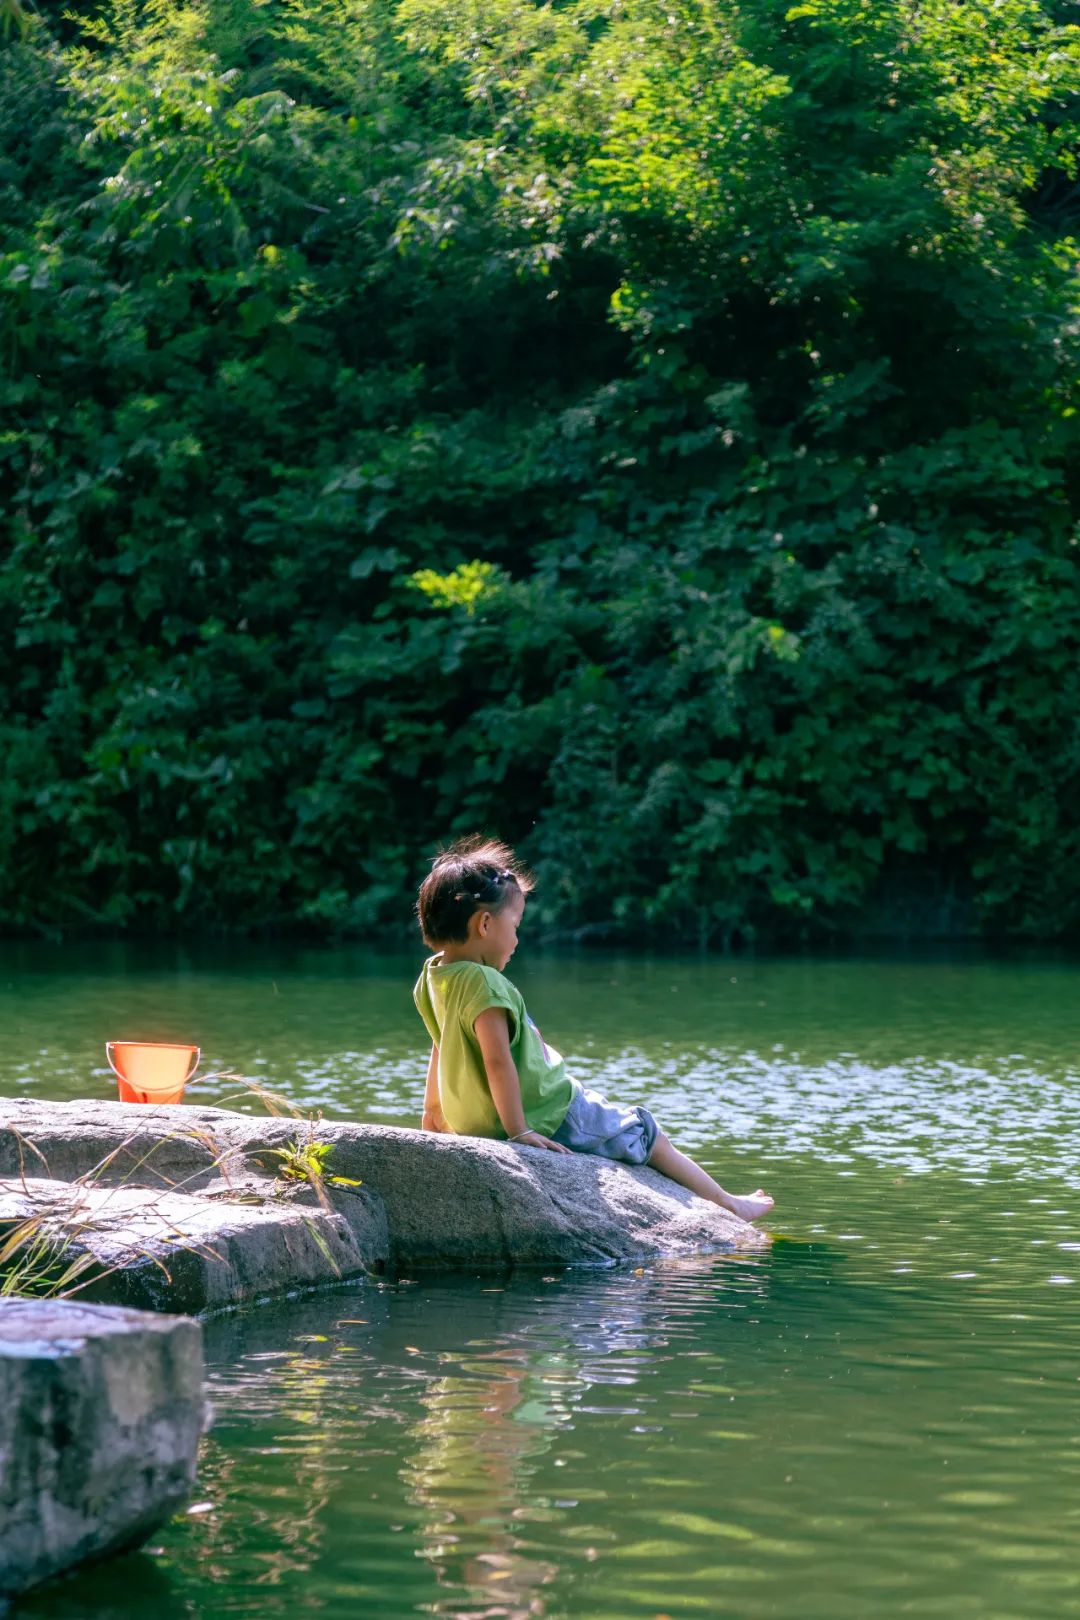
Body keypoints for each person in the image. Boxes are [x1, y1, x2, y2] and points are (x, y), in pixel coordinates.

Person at [412, 836, 775, 1224]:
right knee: (644, 1132)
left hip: (479, 1121)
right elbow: (497, 1060)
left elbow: (440, 1045)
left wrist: (434, 1114)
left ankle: (725, 1202)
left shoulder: (434, 977)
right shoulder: (484, 983)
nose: (517, 939)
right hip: (552, 1110)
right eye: (515, 925)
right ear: (485, 923)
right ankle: (729, 1205)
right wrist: (519, 1132)